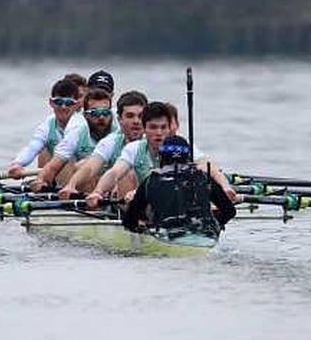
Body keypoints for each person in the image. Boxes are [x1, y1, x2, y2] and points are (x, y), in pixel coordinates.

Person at [86, 102, 236, 207]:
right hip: (143, 206)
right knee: (127, 174)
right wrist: (98, 192)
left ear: (169, 128)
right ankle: (133, 223)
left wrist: (225, 188)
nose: (159, 133)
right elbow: (114, 172)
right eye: (153, 127)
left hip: (177, 203)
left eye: (163, 127)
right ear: (144, 128)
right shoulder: (134, 149)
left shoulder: (181, 146)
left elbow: (208, 166)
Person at [121, 135, 236, 237]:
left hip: (166, 237)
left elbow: (129, 221)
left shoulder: (150, 181)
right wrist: (216, 223)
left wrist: (141, 229)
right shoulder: (204, 178)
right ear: (188, 157)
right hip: (205, 235)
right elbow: (230, 211)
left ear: (161, 157)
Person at [57, 90, 147, 199]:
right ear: (119, 119)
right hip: (122, 196)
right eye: (130, 116)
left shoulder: (155, 141)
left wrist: (136, 191)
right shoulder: (111, 141)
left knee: (128, 175)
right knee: (81, 166)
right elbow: (91, 167)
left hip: (150, 195)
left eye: (140, 116)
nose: (136, 121)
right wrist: (71, 185)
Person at [29, 86, 116, 191]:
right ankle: (66, 191)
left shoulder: (120, 130)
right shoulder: (77, 130)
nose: (101, 117)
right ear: (85, 115)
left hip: (113, 180)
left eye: (105, 113)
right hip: (83, 181)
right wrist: (40, 179)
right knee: (77, 163)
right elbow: (55, 163)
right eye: (95, 113)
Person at [6, 78, 81, 179]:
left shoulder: (80, 124)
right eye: (59, 102)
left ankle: (45, 182)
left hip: (84, 175)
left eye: (69, 103)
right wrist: (17, 164)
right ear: (51, 102)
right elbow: (33, 147)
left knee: (65, 158)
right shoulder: (48, 125)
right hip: (60, 174)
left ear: (76, 105)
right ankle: (45, 184)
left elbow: (64, 152)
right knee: (44, 151)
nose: (63, 107)